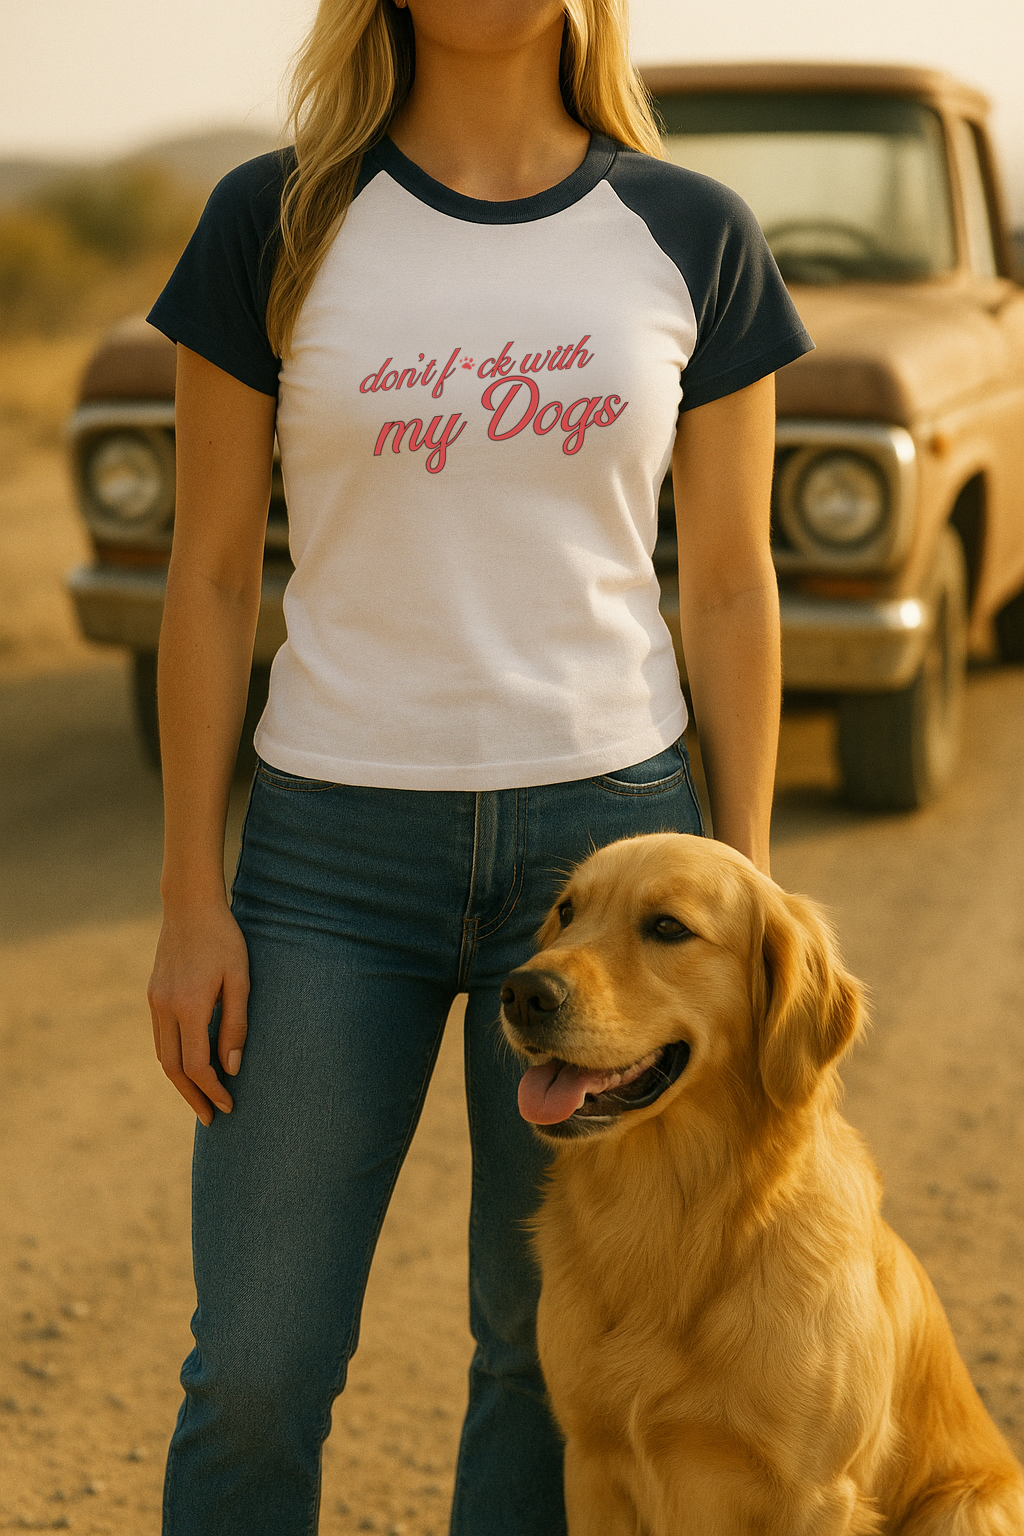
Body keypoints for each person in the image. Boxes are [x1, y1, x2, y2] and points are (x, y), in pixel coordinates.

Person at [145, 1, 812, 1531]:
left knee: (541, 1367)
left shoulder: (691, 231)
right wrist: (192, 894)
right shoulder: (280, 217)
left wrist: (747, 887)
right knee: (255, 1366)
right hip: (327, 865)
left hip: (609, 846)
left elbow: (725, 583)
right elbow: (206, 579)